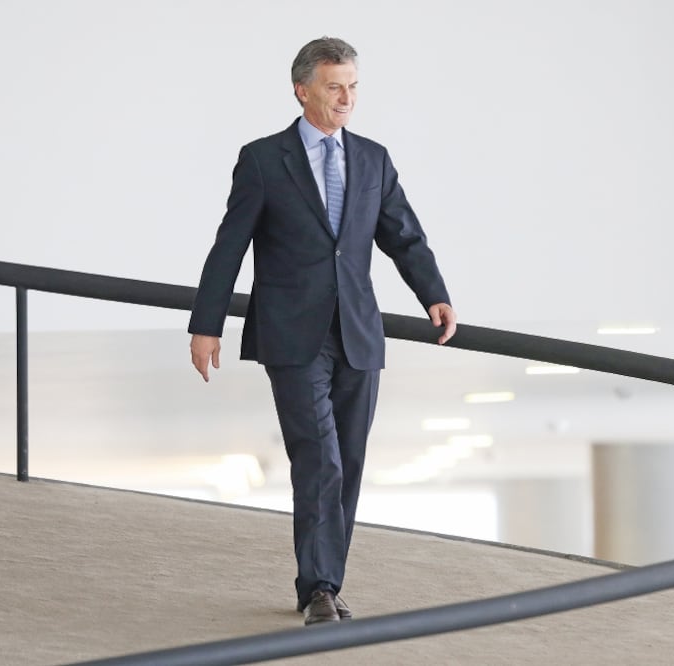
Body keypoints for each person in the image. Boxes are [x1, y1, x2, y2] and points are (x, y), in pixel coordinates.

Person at [187, 36, 457, 626]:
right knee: (320, 460)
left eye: (354, 85)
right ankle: (317, 591)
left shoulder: (373, 158)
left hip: (358, 331)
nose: (347, 97)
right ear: (302, 89)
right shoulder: (263, 159)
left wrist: (433, 293)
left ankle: (327, 582)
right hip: (292, 334)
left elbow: (402, 234)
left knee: (350, 462)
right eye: (335, 86)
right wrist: (206, 326)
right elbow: (228, 246)